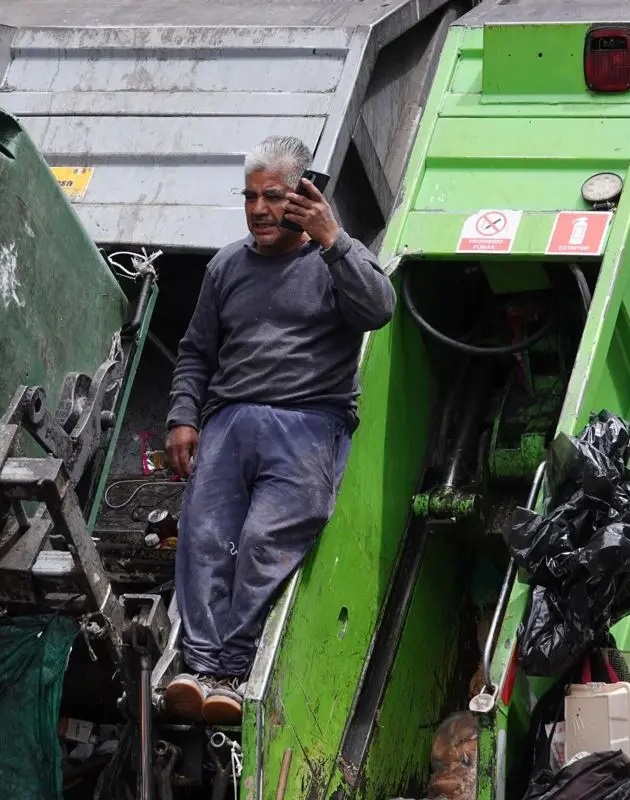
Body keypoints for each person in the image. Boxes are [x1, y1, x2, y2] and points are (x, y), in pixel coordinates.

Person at [161, 135, 396, 725]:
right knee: (206, 535)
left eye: (274, 197)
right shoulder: (226, 266)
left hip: (309, 421)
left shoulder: (335, 259)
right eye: (250, 198)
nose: (259, 210)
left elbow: (379, 309)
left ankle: (231, 669)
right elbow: (195, 352)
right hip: (230, 418)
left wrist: (334, 239)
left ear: (304, 197)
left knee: (266, 538)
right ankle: (199, 667)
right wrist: (183, 417)